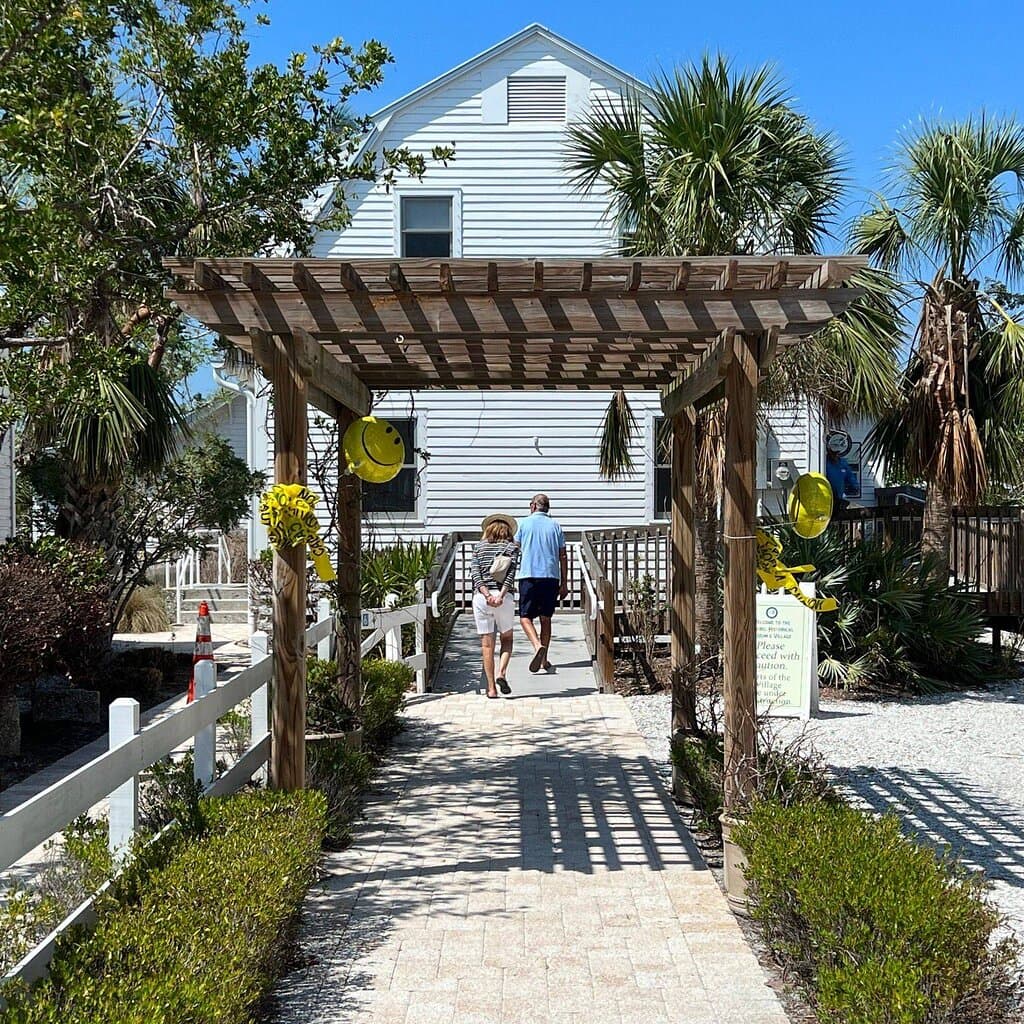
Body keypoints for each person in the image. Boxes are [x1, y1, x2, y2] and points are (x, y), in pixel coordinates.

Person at [515, 493, 568, 673]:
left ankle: (537, 645)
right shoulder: (556, 526)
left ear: (532, 506)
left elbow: (514, 548)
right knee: (546, 618)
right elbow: (563, 555)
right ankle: (544, 660)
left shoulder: (522, 523)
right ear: (548, 508)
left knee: (525, 617)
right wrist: (565, 582)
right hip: (551, 577)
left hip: (528, 575)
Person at [471, 513, 520, 698]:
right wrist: (500, 595)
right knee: (506, 639)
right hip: (504, 599)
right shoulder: (512, 547)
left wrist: (486, 595)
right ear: (507, 530)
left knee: (487, 645)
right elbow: (510, 575)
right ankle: (502, 673)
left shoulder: (479, 548)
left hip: (482, 599)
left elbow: (475, 575)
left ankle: (491, 688)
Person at [825, 437, 859, 511]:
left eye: (837, 452)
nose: (835, 455)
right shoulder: (823, 463)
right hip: (826, 501)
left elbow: (851, 478)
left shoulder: (843, 463)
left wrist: (854, 487)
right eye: (833, 452)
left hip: (839, 500)